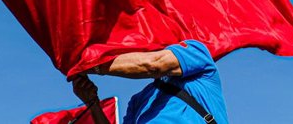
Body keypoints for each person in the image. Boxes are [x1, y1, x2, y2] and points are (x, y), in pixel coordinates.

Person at [71, 40, 228, 123]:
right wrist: (93, 103)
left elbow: (154, 65)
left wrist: (90, 65)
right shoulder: (138, 100)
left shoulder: (195, 52)